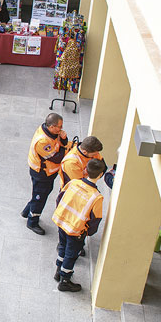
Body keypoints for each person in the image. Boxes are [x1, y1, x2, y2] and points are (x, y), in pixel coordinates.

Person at [52, 159, 108, 292]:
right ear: (100, 175)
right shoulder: (97, 197)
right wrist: (86, 232)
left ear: (86, 170)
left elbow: (60, 198)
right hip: (76, 230)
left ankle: (58, 270)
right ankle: (65, 280)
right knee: (71, 255)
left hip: (62, 222)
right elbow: (95, 220)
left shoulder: (74, 183)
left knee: (62, 247)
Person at [21, 112, 69, 235]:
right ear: (51, 126)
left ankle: (27, 211)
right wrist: (65, 148)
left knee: (41, 193)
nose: (61, 129)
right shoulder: (42, 141)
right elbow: (57, 158)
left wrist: (63, 139)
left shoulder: (51, 132)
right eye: (59, 127)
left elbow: (61, 144)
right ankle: (32, 222)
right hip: (42, 173)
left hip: (49, 172)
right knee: (40, 197)